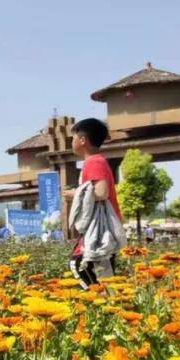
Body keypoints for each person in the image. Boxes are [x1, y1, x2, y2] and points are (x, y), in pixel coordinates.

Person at [66, 117, 124, 289]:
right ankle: (107, 309)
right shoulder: (96, 161)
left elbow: (101, 192)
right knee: (104, 281)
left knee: (80, 266)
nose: (72, 141)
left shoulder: (94, 161)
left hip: (99, 232)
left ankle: (104, 309)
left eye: (73, 137)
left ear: (82, 140)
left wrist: (76, 193)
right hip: (99, 231)